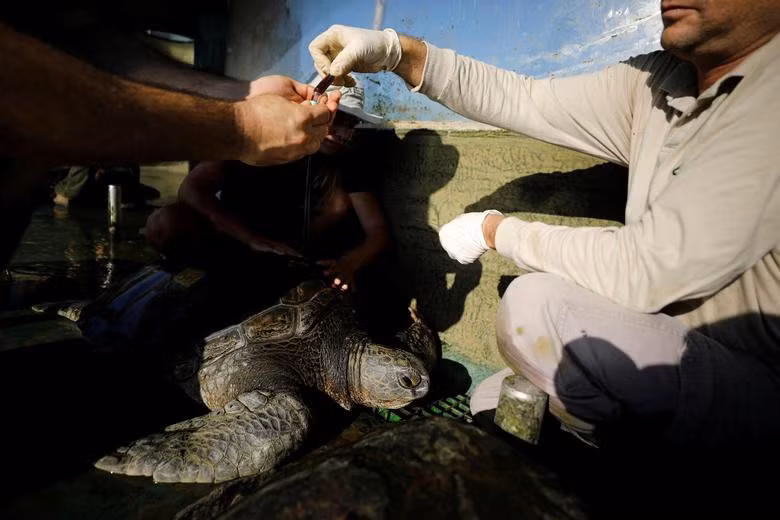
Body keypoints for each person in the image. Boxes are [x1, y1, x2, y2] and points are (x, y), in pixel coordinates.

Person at [307, 1, 780, 452]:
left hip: (756, 383)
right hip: (671, 349)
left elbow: (647, 268)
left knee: (536, 308)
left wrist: (495, 230)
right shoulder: (662, 82)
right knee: (496, 402)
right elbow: (523, 99)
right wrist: (397, 52)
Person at [144, 81, 404, 329]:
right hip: (232, 234)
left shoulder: (347, 163)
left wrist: (348, 264)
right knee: (164, 223)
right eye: (335, 119)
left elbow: (376, 231)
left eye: (351, 123)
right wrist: (248, 237)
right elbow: (191, 188)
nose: (341, 133)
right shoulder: (261, 133)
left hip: (286, 253)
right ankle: (178, 281)